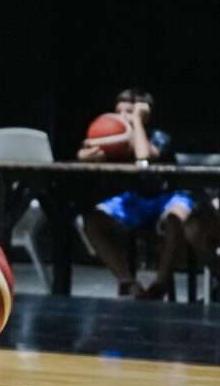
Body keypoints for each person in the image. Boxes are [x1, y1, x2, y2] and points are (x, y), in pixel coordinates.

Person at [79, 89, 218, 299]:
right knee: (92, 220)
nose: (121, 117)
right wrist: (88, 153)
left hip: (167, 197)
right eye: (119, 112)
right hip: (134, 200)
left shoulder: (158, 135)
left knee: (174, 218)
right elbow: (84, 153)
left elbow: (144, 157)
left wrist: (136, 123)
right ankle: (127, 281)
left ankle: (160, 285)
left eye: (129, 111)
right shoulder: (114, 136)